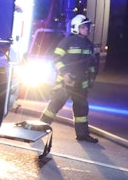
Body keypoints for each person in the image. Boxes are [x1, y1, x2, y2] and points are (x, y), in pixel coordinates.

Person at [40, 14, 100, 143]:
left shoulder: (88, 44)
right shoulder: (67, 42)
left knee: (82, 110)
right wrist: (65, 73)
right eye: (83, 27)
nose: (87, 30)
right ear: (75, 28)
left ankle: (82, 134)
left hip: (81, 83)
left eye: (87, 27)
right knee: (54, 106)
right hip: (66, 82)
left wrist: (91, 79)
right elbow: (56, 58)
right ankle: (39, 129)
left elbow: (92, 64)